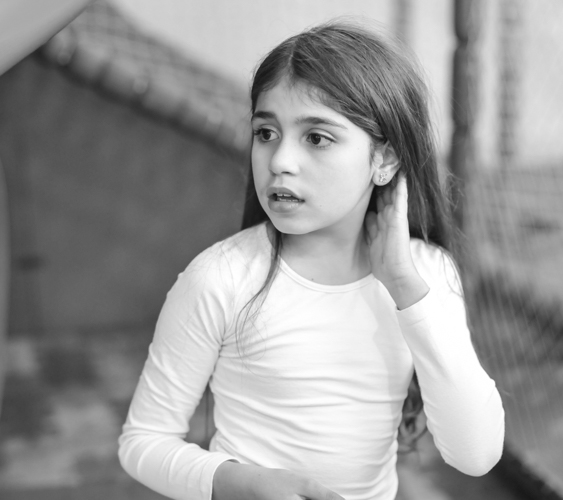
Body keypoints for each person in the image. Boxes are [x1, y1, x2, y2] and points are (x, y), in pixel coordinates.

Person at [118, 20, 505, 500]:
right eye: (266, 132)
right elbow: (143, 441)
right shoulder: (220, 278)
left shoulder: (427, 274)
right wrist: (240, 482)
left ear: (384, 160)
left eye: (317, 138)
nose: (280, 160)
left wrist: (406, 288)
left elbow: (476, 455)